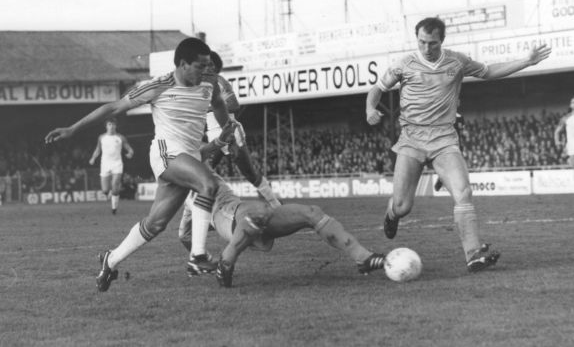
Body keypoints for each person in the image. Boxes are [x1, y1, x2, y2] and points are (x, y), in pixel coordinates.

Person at [366, 17, 552, 273]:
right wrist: (370, 109)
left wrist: (526, 62)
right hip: (411, 139)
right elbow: (377, 88)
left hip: (444, 139)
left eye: (432, 43)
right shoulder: (404, 64)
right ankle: (392, 213)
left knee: (463, 192)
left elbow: (489, 71)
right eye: (421, 42)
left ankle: (473, 254)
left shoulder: (457, 61)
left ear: (442, 40)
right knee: (402, 206)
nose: (426, 47)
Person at [45, 37, 231, 291]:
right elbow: (113, 108)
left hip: (190, 158)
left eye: (209, 65)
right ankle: (197, 257)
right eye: (200, 66)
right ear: (183, 64)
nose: (207, 70)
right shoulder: (159, 86)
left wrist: (227, 127)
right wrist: (73, 129)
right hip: (167, 154)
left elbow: (219, 104)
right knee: (208, 184)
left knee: (156, 223)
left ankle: (110, 260)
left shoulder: (209, 82)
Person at [179, 125, 387, 288]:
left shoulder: (200, 165)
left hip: (240, 210)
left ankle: (364, 258)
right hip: (230, 218)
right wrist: (200, 255)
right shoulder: (186, 188)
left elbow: (184, 235)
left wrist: (225, 139)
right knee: (259, 212)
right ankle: (225, 264)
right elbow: (184, 234)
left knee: (312, 213)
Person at [204, 51, 281, 208]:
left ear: (215, 67)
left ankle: (276, 205)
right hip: (212, 135)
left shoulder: (220, 82)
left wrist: (210, 107)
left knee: (250, 173)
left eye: (210, 64)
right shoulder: (198, 85)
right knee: (201, 174)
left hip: (230, 132)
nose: (207, 67)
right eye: (204, 64)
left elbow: (234, 105)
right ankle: (190, 220)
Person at [88, 118, 134, 214]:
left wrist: (130, 153)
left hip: (117, 163)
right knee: (105, 190)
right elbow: (98, 149)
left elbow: (129, 148)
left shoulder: (120, 137)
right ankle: (109, 194)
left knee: (115, 185)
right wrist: (93, 158)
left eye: (113, 124)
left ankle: (114, 209)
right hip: (105, 164)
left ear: (115, 126)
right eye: (109, 124)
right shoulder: (101, 137)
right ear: (106, 126)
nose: (111, 126)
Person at [434, 104, 464, 192]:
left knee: (457, 166)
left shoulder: (460, 117)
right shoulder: (445, 117)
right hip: (447, 144)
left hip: (457, 144)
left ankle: (442, 179)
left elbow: (462, 131)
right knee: (448, 164)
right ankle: (441, 178)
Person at [554, 96, 574, 170]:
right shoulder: (566, 118)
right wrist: (557, 141)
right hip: (572, 146)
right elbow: (556, 132)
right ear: (570, 105)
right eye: (572, 102)